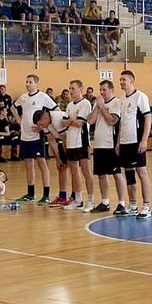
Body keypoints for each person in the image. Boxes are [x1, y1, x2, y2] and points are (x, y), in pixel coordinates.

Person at [11, 74, 58, 204]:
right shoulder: (23, 97)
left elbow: (56, 110)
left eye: (30, 82)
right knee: (28, 165)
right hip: (24, 136)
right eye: (26, 82)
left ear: (36, 84)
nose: (27, 84)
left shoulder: (43, 97)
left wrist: (44, 125)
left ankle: (46, 195)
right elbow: (13, 107)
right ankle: (30, 194)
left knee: (42, 164)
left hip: (37, 136)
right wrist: (19, 120)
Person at [114, 70, 152, 219]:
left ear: (131, 81)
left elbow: (148, 118)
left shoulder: (140, 97)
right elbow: (122, 123)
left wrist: (144, 140)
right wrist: (118, 142)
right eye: (120, 80)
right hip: (125, 142)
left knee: (141, 172)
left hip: (137, 141)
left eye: (124, 79)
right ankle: (133, 205)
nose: (121, 82)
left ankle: (147, 206)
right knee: (129, 173)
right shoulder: (121, 99)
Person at [87, 80, 127, 213]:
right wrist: (97, 107)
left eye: (104, 90)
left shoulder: (116, 103)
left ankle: (121, 203)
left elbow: (112, 121)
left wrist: (102, 107)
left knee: (116, 174)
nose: (102, 92)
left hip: (111, 144)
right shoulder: (99, 104)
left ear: (111, 90)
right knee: (101, 174)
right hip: (99, 144)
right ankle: (105, 202)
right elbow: (90, 120)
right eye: (100, 90)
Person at [62, 80, 94, 211]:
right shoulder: (69, 105)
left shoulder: (85, 103)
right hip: (70, 142)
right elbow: (64, 123)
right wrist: (72, 120)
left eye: (73, 88)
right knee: (74, 171)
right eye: (69, 88)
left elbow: (80, 123)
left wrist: (71, 120)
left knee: (86, 171)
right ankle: (78, 200)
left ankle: (91, 200)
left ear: (80, 89)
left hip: (81, 141)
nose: (71, 91)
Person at [32, 109, 71, 207]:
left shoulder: (57, 118)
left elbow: (65, 138)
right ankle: (62, 196)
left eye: (41, 124)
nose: (41, 127)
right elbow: (51, 141)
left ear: (45, 118)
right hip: (64, 141)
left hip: (74, 141)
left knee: (73, 168)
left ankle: (75, 196)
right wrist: (58, 159)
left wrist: (67, 156)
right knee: (61, 167)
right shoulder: (46, 124)